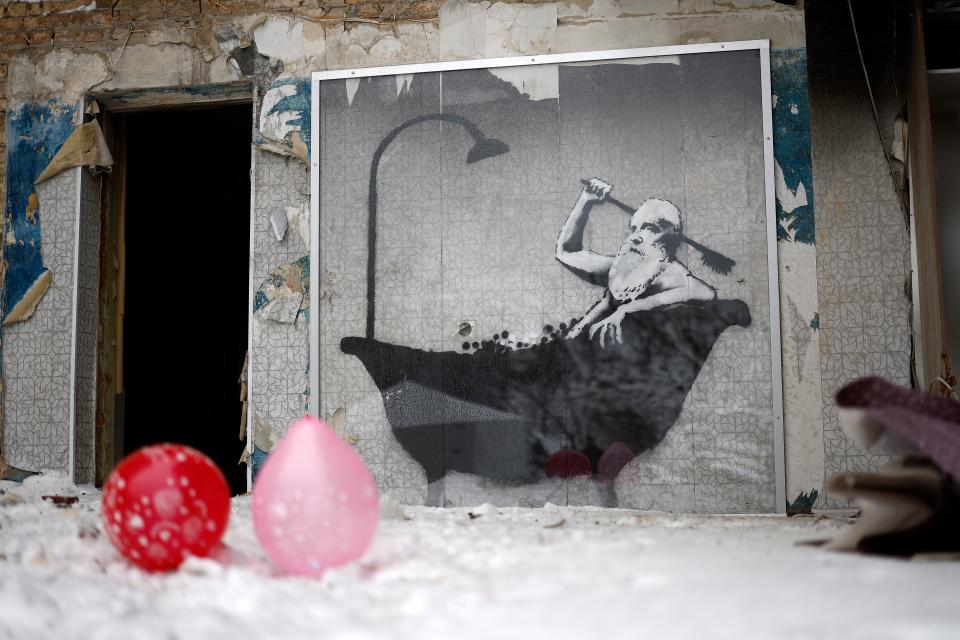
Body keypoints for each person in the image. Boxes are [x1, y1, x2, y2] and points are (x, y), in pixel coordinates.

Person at [556, 178, 717, 347]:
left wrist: (629, 308)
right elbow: (567, 252)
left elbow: (705, 292)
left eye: (652, 229)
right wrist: (585, 199)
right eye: (634, 229)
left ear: (669, 242)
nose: (636, 237)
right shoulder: (621, 266)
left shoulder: (670, 272)